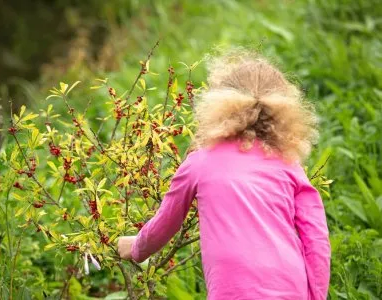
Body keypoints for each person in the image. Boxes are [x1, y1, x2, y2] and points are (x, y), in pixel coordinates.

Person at [117, 53, 331, 300]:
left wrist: (136, 248)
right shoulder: (289, 165)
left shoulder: (200, 162)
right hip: (291, 288)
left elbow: (166, 222)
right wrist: (317, 296)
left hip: (233, 292)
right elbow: (316, 239)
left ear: (219, 104)